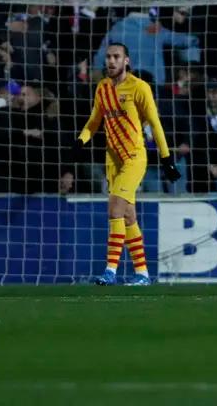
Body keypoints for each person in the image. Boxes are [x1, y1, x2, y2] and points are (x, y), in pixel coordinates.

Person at [72, 43, 179, 286]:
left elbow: (155, 123)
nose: (111, 61)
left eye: (116, 57)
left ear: (126, 61)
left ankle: (110, 270)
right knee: (129, 216)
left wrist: (166, 158)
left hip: (134, 158)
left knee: (115, 209)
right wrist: (81, 140)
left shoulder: (140, 88)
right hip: (113, 160)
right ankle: (142, 273)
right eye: (108, 57)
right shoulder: (102, 88)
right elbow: (93, 122)